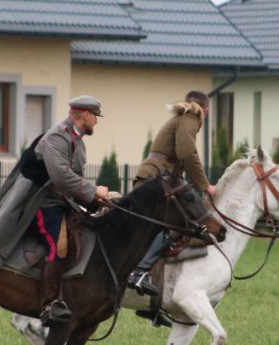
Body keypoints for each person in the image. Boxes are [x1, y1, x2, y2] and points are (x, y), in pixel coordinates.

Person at [127, 90, 216, 299]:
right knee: (173, 224)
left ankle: (154, 301)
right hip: (159, 177)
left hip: (159, 176)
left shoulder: (181, 117)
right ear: (206, 110)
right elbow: (187, 153)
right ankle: (139, 273)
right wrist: (205, 186)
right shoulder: (191, 117)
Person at [32, 95, 109, 326]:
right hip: (44, 202)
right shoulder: (58, 136)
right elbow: (61, 176)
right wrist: (94, 190)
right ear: (86, 115)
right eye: (95, 116)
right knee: (59, 244)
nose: (96, 121)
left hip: (64, 201)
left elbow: (73, 179)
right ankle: (49, 305)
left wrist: (96, 199)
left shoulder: (76, 138)